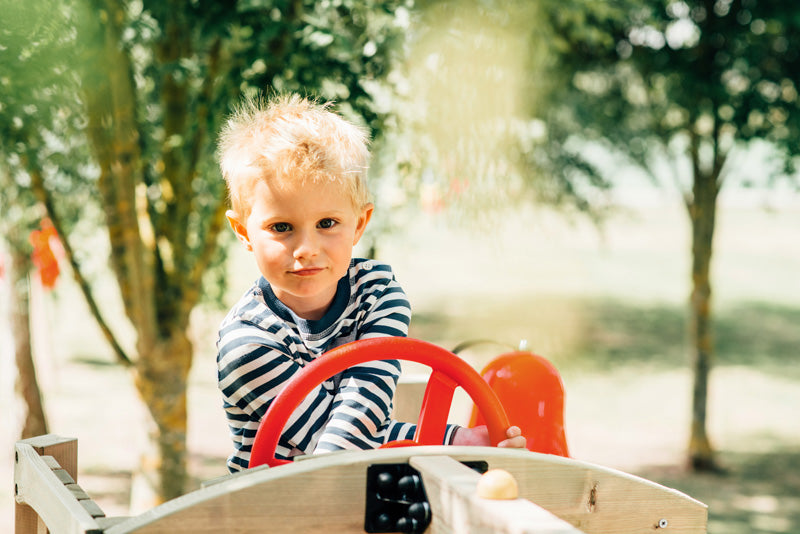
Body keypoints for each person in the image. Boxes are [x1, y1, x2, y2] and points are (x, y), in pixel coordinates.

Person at [216, 93, 525, 472]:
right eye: (281, 227)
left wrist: (457, 441)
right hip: (274, 501)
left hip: (356, 485)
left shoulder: (377, 294)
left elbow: (365, 411)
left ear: (359, 223)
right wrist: (450, 441)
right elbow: (335, 447)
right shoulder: (246, 344)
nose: (307, 249)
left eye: (327, 223)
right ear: (243, 232)